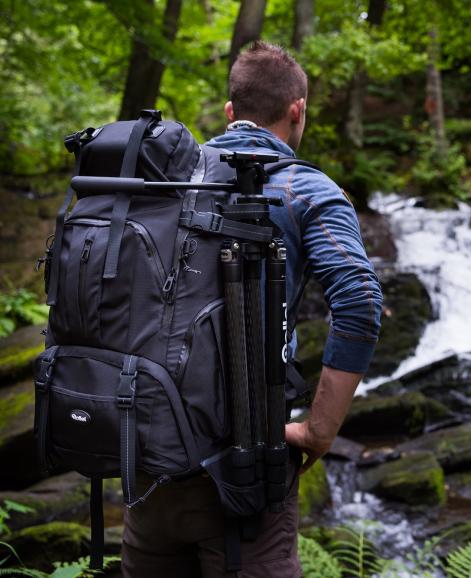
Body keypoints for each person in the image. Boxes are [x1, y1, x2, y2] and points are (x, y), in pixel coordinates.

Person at [121, 41, 383, 578]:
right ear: (298, 110)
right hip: (242, 474)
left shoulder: (164, 183)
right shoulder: (305, 189)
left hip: (146, 460)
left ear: (229, 112)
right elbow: (359, 300)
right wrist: (318, 432)